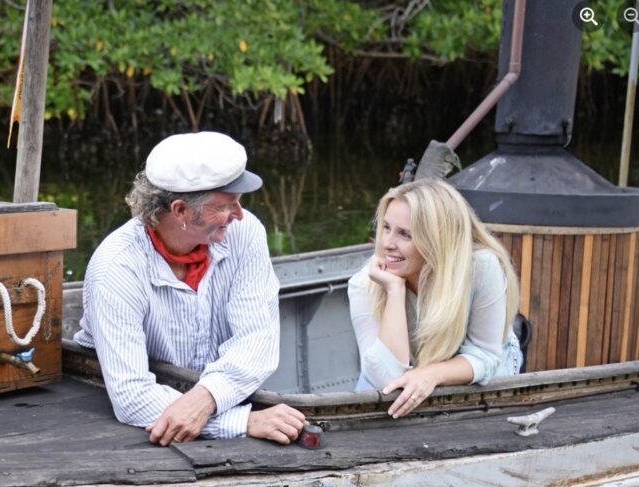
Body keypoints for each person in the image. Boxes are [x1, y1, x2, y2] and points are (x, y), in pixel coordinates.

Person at [74, 132, 306, 446]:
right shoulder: (116, 267)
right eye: (226, 205)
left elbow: (257, 340)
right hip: (120, 428)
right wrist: (242, 422)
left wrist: (206, 398)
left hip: (211, 404)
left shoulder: (245, 231)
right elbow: (131, 396)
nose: (239, 214)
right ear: (181, 210)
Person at [348, 178, 522, 418]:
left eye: (405, 235)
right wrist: (394, 292)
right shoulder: (364, 284)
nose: (387, 243)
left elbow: (485, 355)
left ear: (437, 239)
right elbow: (387, 381)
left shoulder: (480, 267)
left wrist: (431, 374)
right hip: (405, 369)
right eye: (386, 228)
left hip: (479, 363)